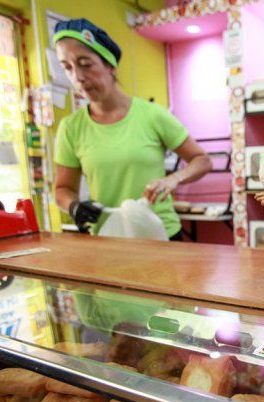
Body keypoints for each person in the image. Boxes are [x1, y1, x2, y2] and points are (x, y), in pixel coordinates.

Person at [52, 18, 211, 240]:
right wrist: (74, 206)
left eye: (85, 63)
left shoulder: (152, 115)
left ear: (109, 65)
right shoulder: (71, 127)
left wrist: (172, 179)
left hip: (161, 235)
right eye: (67, 67)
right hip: (109, 239)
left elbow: (202, 160)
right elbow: (62, 189)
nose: (77, 77)